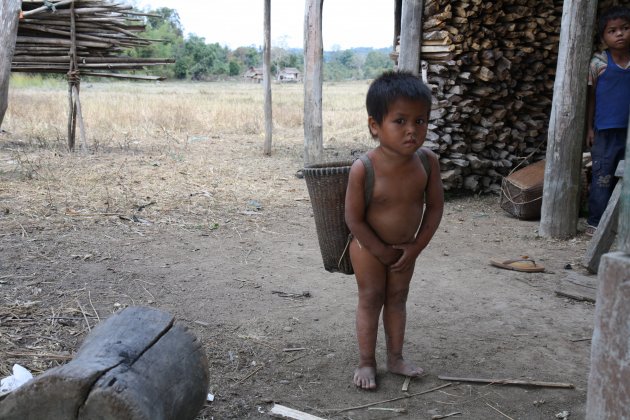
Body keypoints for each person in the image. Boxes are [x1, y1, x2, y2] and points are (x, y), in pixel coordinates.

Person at [344, 70, 444, 390]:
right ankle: (366, 361)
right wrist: (380, 250)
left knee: (398, 298)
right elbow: (354, 219)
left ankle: (395, 357)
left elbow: (436, 207)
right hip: (367, 247)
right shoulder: (364, 167)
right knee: (371, 298)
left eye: (420, 121)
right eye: (400, 121)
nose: (412, 130)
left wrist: (415, 247)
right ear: (375, 126)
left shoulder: (427, 163)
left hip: (405, 249)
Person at [586, 6, 630, 236]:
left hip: (628, 131)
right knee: (602, 177)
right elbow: (590, 98)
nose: (620, 34)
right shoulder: (599, 62)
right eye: (612, 31)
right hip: (604, 130)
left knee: (626, 179)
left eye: (625, 28)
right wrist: (589, 128)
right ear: (603, 37)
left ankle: (621, 223)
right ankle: (595, 223)